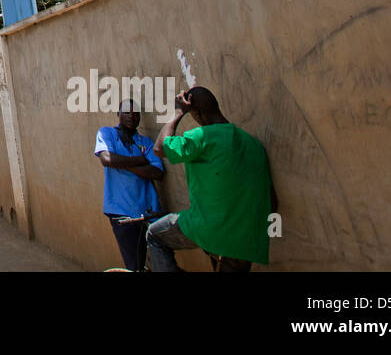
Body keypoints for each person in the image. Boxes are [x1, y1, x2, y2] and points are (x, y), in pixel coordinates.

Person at [149, 87, 277, 272]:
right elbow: (272, 203)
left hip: (211, 229)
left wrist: (178, 112)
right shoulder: (253, 144)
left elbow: (160, 148)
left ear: (196, 113)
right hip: (248, 236)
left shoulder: (202, 137)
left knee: (154, 235)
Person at [95, 101, 163, 271]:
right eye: (126, 113)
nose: (131, 117)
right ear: (118, 114)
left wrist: (122, 163)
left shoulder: (145, 142)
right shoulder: (107, 134)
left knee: (157, 262)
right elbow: (107, 159)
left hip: (149, 212)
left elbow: (156, 172)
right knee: (135, 264)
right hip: (121, 213)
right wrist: (140, 161)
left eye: (135, 114)